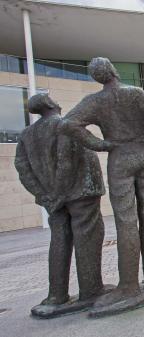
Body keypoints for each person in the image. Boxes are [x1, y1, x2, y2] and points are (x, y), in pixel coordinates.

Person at [60, 57, 144, 311]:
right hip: (143, 154)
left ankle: (130, 285)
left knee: (126, 221)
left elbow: (67, 124)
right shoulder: (134, 93)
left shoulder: (94, 101)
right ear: (113, 71)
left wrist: (100, 144)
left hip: (120, 157)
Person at [14, 94, 107, 317]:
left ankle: (56, 295)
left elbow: (22, 169)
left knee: (59, 239)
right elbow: (68, 160)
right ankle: (91, 290)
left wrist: (44, 195)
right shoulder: (67, 125)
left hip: (52, 198)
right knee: (88, 237)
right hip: (79, 193)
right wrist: (59, 192)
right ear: (50, 105)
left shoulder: (27, 135)